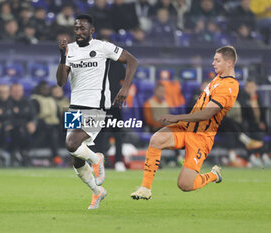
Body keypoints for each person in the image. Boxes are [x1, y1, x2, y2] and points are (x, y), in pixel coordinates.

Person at [131, 46, 239, 199]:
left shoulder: (229, 86)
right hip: (186, 128)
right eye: (214, 59)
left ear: (229, 63)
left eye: (217, 60)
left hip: (201, 137)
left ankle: (213, 175)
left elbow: (208, 113)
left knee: (185, 185)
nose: (213, 63)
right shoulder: (218, 79)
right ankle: (145, 189)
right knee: (156, 139)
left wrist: (177, 117)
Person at [56, 14, 137, 209]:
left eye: (83, 29)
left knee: (71, 143)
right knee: (76, 158)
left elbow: (132, 60)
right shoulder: (71, 50)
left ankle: (96, 158)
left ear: (92, 31)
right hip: (75, 106)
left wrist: (125, 87)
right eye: (76, 29)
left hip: (97, 106)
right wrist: (62, 56)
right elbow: (60, 82)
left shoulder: (102, 47)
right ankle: (97, 191)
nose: (79, 32)